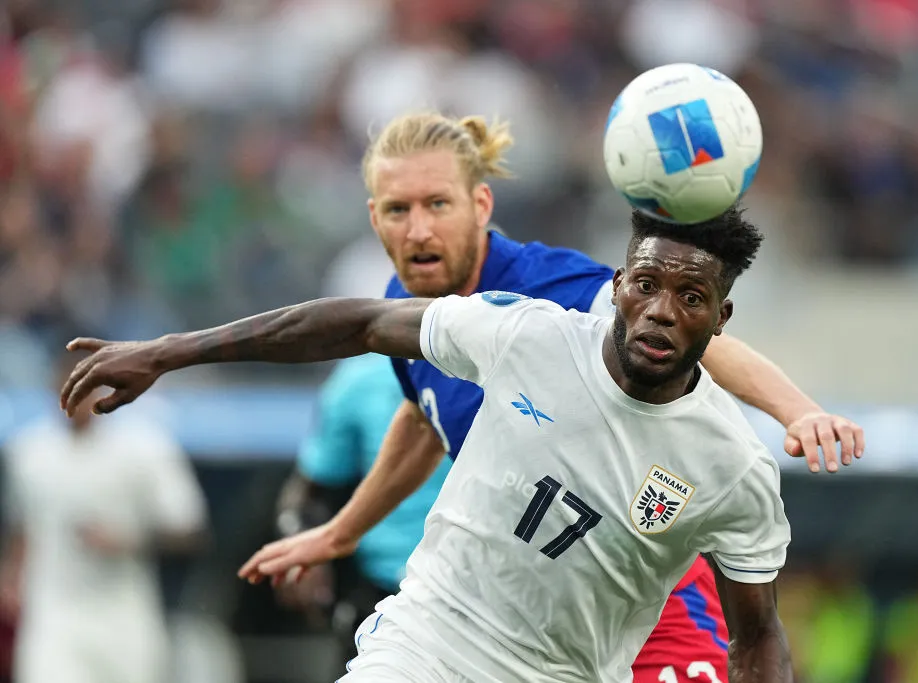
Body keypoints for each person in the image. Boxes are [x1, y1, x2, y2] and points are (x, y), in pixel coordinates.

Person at [59, 207, 803, 682]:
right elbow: (357, 323)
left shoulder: (732, 467)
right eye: (646, 284)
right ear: (616, 285)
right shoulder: (526, 335)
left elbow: (758, 635)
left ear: (721, 318)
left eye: (691, 298)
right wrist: (168, 352)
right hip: (428, 643)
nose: (661, 311)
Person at [273, 111, 863, 682]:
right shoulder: (408, 308)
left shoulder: (546, 289)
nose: (419, 228)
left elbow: (688, 334)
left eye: (437, 204)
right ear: (374, 217)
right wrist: (341, 531)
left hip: (650, 606)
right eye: (399, 209)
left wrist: (797, 411)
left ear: (481, 205)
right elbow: (424, 420)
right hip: (525, 623)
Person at [1, 354, 208, 683]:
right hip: (53, 616)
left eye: (85, 389)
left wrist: (129, 540)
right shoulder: (29, 452)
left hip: (125, 618)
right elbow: (23, 526)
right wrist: (11, 578)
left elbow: (190, 531)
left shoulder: (144, 448)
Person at [274, 354, 451, 632]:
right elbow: (313, 490)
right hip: (383, 592)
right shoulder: (359, 379)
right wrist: (302, 546)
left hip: (487, 589)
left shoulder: (503, 370)